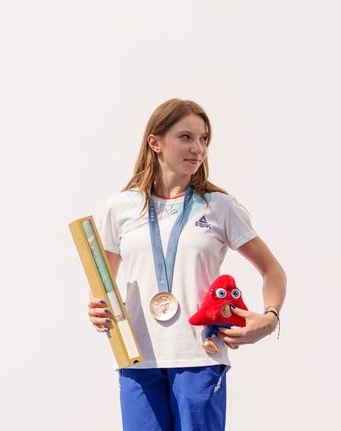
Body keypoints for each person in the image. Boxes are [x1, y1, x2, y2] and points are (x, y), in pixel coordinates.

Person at [88, 98, 286, 430]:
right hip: (136, 358)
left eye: (204, 139)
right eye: (186, 137)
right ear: (155, 142)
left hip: (199, 355)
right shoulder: (120, 207)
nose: (198, 148)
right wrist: (95, 308)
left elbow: (273, 270)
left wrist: (269, 318)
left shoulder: (219, 207)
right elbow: (102, 285)